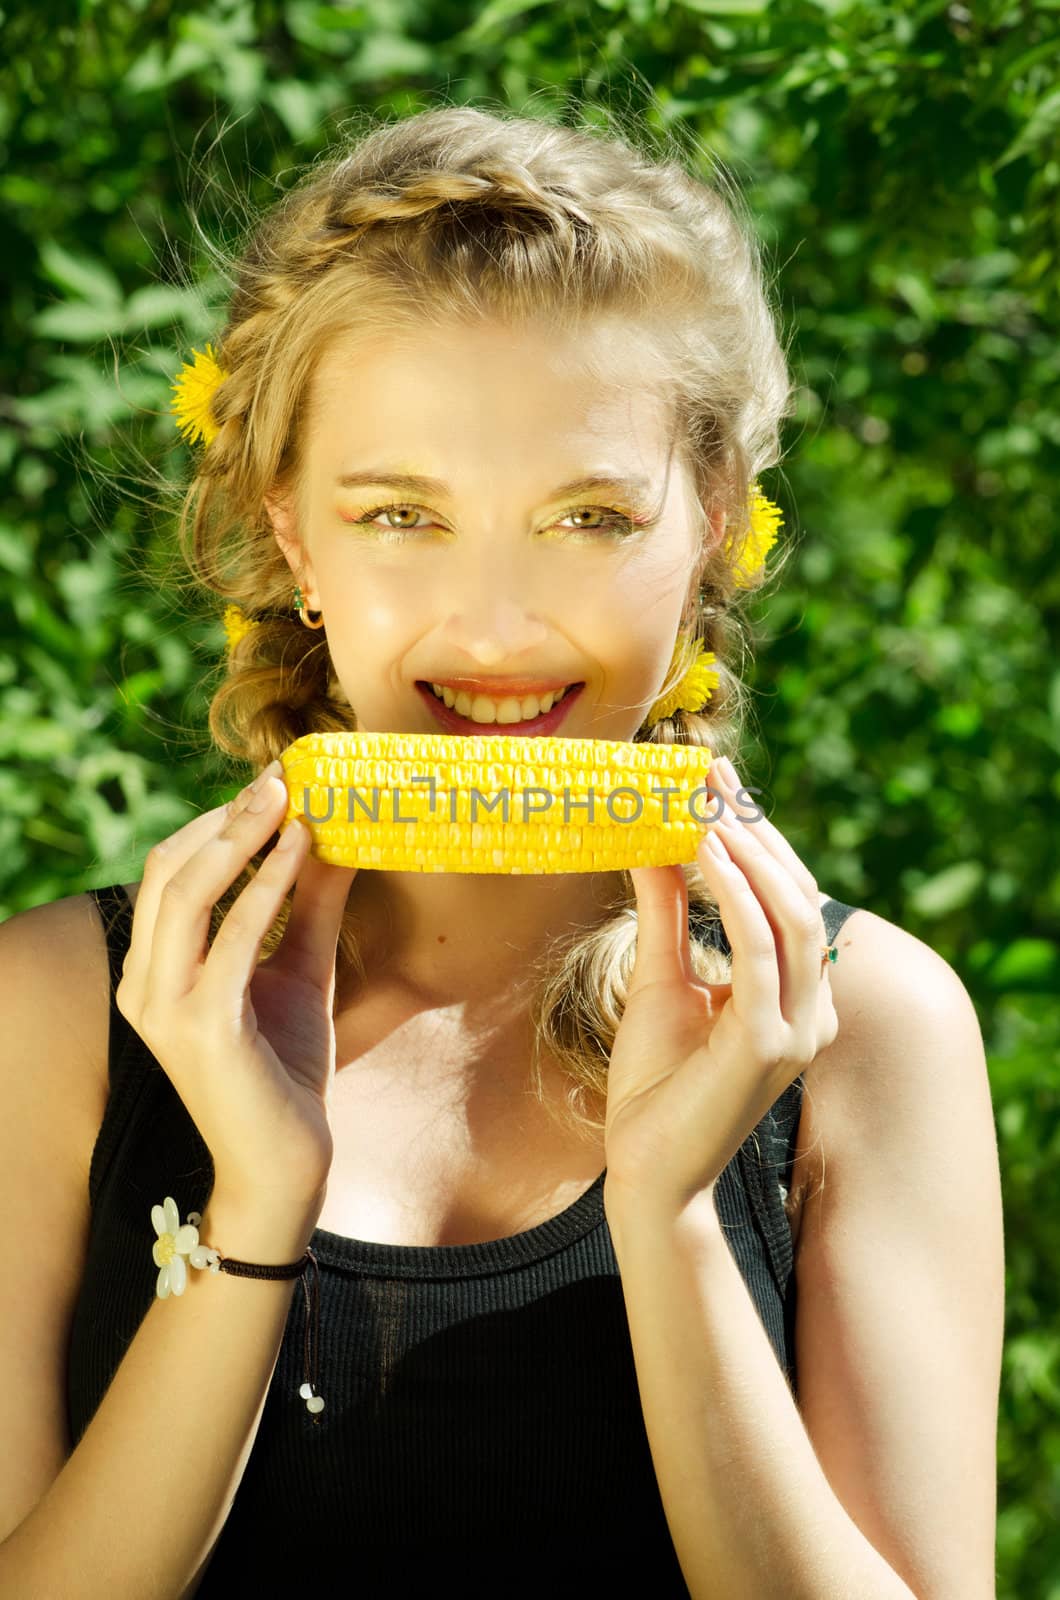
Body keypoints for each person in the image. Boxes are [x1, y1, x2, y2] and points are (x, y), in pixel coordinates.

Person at [0, 103, 1003, 1598]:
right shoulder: (62, 1017)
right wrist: (256, 1205)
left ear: (716, 524)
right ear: (293, 541)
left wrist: (666, 1212)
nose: (494, 628)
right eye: (402, 513)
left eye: (589, 517)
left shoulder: (869, 1029)